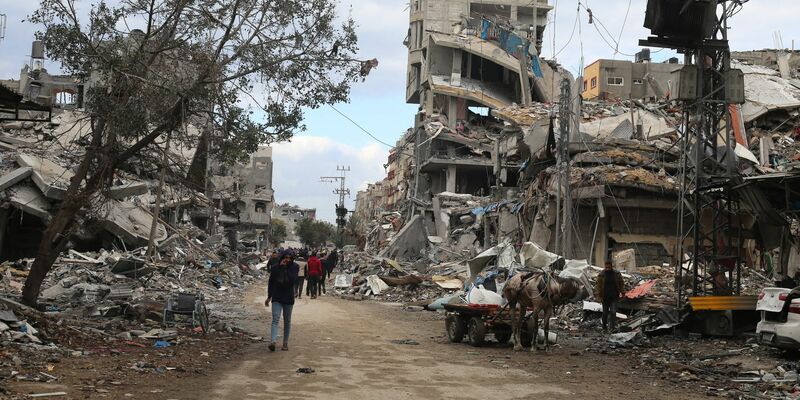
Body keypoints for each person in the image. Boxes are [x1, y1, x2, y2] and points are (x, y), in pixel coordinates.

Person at [265, 250, 299, 351]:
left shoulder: (295, 267)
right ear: (282, 257)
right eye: (286, 258)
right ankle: (273, 341)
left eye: (290, 258)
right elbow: (271, 282)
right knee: (275, 319)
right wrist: (269, 297)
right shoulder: (275, 267)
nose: (287, 260)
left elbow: (292, 280)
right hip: (277, 296)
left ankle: (285, 343)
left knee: (287, 321)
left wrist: (285, 268)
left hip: (288, 297)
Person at [596, 260, 625, 332]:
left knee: (613, 312)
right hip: (605, 297)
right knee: (605, 313)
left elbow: (621, 284)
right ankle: (604, 328)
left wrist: (623, 292)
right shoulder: (601, 275)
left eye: (609, 267)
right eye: (606, 267)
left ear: (612, 266)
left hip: (614, 296)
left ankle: (612, 328)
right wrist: (598, 296)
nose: (607, 269)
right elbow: (598, 287)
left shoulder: (616, 274)